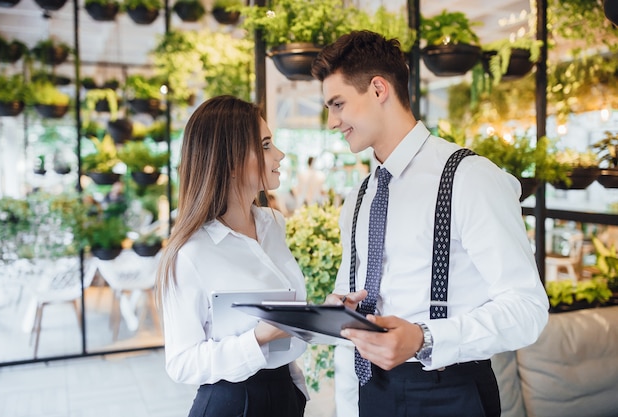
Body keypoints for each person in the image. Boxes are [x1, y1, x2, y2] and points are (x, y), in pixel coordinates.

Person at [311, 31, 549, 417]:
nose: (332, 122)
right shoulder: (359, 197)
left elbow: (528, 309)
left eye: (337, 104)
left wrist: (425, 338)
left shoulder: (469, 177)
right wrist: (341, 309)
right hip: (370, 391)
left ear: (378, 89)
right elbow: (349, 292)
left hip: (450, 392)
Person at [155, 95, 308, 417]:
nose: (279, 155)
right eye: (265, 145)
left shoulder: (273, 225)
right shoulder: (191, 253)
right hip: (234, 403)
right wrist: (259, 337)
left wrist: (327, 315)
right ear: (231, 161)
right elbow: (182, 363)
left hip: (285, 393)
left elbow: (287, 315)